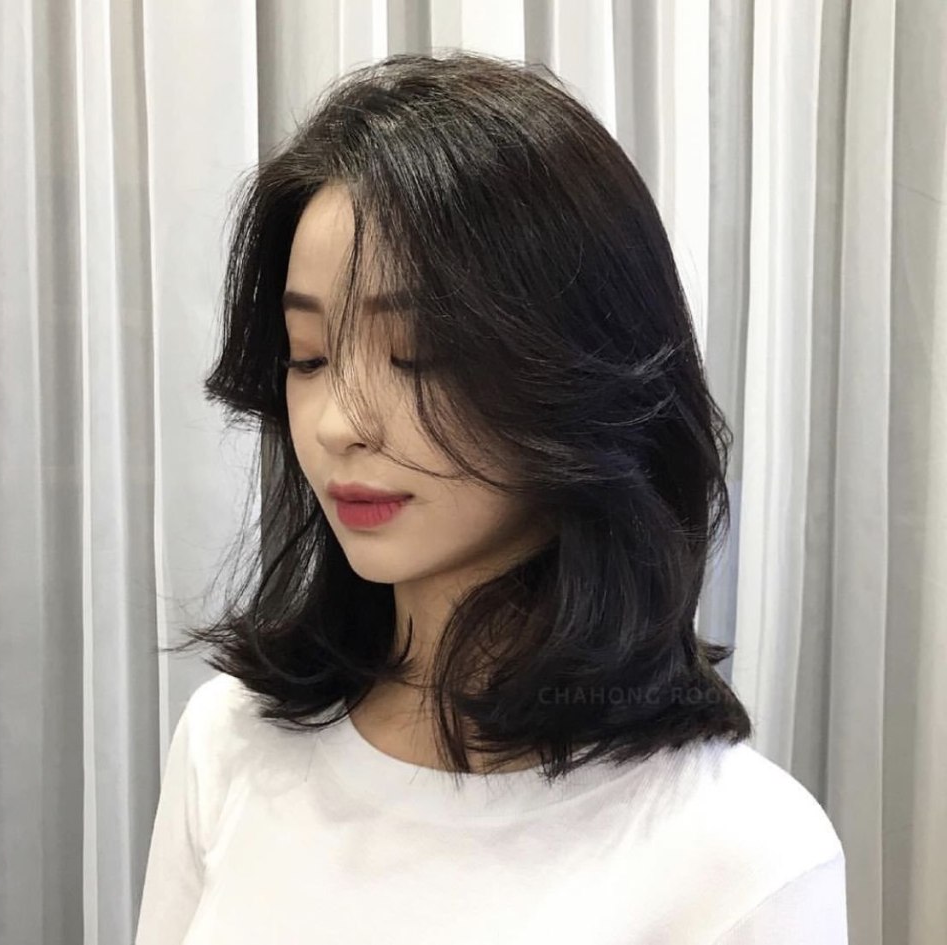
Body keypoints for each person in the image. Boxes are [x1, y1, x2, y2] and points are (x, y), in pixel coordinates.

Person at [134, 51, 847, 944]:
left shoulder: (745, 854)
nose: (338, 423)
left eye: (418, 354)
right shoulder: (229, 743)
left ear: (580, 367)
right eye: (309, 356)